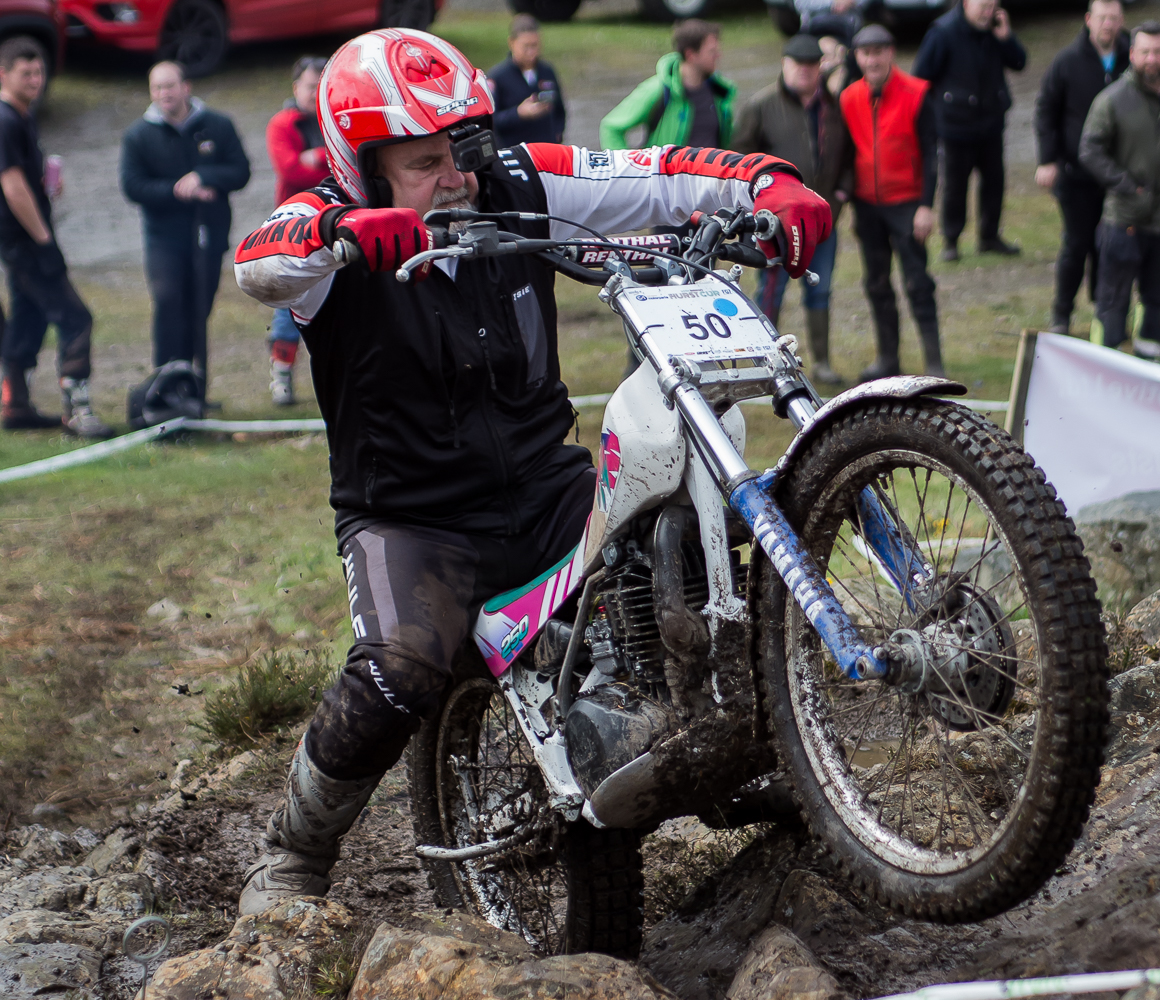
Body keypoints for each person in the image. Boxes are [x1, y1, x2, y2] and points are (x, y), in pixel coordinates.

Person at [231, 27, 830, 916]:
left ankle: (735, 751)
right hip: (412, 519)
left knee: (680, 538)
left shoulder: (515, 178)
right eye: (425, 162)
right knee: (401, 668)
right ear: (364, 169)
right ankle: (294, 854)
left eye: (461, 149)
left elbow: (655, 172)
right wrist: (343, 232)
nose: (455, 177)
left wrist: (765, 181)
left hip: (547, 486)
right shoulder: (329, 235)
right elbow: (260, 260)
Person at [1079, 22, 1160, 360]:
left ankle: (1148, 365)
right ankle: (1104, 365)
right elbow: (1090, 149)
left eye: (1157, 51)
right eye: (1145, 52)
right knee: (1112, 302)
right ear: (1132, 54)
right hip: (1123, 220)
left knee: (1158, 300)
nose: (1151, 59)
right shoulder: (1112, 100)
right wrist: (1125, 184)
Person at [0, 37, 109, 437]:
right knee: (75, 317)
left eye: (40, 72)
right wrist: (44, 240)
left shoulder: (22, 116)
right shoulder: (5, 120)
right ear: (3, 74)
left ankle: (16, 405)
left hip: (23, 239)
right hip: (24, 240)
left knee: (28, 320)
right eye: (26, 73)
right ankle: (78, 410)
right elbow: (12, 187)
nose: (35, 79)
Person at [120, 61, 251, 394]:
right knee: (168, 300)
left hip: (210, 232)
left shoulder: (217, 125)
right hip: (163, 236)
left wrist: (204, 177)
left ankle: (194, 386)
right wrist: (177, 190)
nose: (164, 93)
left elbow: (240, 171)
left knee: (200, 305)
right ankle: (165, 385)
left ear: (186, 87)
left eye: (169, 86)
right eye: (157, 87)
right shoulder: (139, 135)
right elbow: (133, 186)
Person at [732, 34, 851, 383]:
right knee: (771, 290)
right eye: (799, 64)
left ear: (820, 68)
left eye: (812, 64)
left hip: (821, 221)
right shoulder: (761, 106)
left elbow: (848, 154)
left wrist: (842, 192)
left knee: (821, 289)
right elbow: (739, 159)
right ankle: (763, 359)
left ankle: (822, 363)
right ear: (785, 64)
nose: (805, 71)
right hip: (775, 225)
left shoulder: (833, 107)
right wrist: (758, 208)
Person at [840, 24, 942, 379]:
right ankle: (888, 358)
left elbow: (931, 153)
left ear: (891, 53)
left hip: (907, 203)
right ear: (857, 57)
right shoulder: (849, 97)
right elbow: (844, 151)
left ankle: (934, 360)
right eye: (866, 54)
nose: (873, 60)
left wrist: (926, 205)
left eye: (879, 52)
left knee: (918, 282)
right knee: (877, 284)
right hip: (868, 205)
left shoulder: (917, 93)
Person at [1034, 0, 1129, 335]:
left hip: (1118, 176)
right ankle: (1062, 313)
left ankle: (1106, 313)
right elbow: (1046, 109)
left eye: (1114, 18)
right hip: (1076, 175)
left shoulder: (1133, 59)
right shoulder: (1067, 61)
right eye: (1102, 18)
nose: (1108, 25)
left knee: (1113, 246)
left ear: (1121, 21)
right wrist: (1047, 159)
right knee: (1077, 245)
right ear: (1089, 20)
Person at [913, 0, 1026, 260]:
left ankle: (989, 236)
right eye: (982, 7)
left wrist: (1006, 38)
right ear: (966, 3)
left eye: (992, 6)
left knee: (994, 183)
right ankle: (951, 240)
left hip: (991, 122)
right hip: (955, 125)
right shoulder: (943, 32)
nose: (988, 12)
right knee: (955, 187)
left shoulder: (996, 31)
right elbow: (921, 77)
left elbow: (1020, 62)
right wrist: (935, 114)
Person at [264, 55, 327, 407]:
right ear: (296, 87)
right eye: (310, 86)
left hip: (336, 220)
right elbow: (291, 170)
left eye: (321, 86)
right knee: (290, 299)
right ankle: (282, 376)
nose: (315, 93)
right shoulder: (282, 123)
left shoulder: (334, 118)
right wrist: (325, 158)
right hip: (293, 226)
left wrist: (314, 156)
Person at [600, 20, 734, 149]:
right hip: (668, 166)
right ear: (690, 54)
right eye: (712, 52)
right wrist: (629, 163)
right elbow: (611, 128)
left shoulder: (720, 92)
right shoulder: (658, 89)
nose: (718, 56)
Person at [488, 15, 566, 147]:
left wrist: (558, 133)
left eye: (535, 45)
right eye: (526, 46)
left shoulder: (547, 72)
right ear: (512, 43)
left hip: (547, 149)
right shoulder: (497, 77)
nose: (531, 52)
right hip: (515, 150)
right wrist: (518, 113)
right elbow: (491, 121)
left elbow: (559, 110)